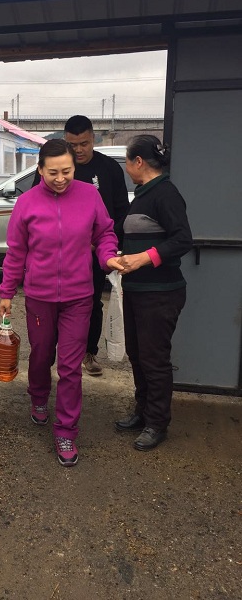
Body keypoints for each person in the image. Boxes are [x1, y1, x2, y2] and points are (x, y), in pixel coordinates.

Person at [0, 139, 123, 467]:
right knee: (41, 354)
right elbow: (16, 252)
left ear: (73, 168)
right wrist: (6, 292)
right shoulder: (26, 203)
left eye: (66, 171)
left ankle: (66, 429)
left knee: (70, 366)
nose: (60, 178)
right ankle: (39, 396)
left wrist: (108, 257)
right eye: (52, 172)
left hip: (79, 297)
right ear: (40, 170)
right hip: (39, 296)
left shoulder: (89, 195)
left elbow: (105, 233)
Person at [33, 115, 129, 377]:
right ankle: (50, 353)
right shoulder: (58, 168)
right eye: (72, 144)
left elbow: (121, 214)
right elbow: (36, 203)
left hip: (96, 255)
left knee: (92, 303)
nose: (78, 150)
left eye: (84, 144)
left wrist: (102, 246)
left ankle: (88, 351)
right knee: (51, 306)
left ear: (93, 139)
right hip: (56, 257)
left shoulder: (109, 168)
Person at [115, 135, 192, 451]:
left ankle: (158, 423)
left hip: (160, 293)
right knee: (137, 355)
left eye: (127, 160)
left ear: (138, 162)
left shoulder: (165, 193)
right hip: (138, 290)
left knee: (154, 359)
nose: (126, 167)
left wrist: (143, 258)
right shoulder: (143, 194)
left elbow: (182, 239)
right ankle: (143, 411)